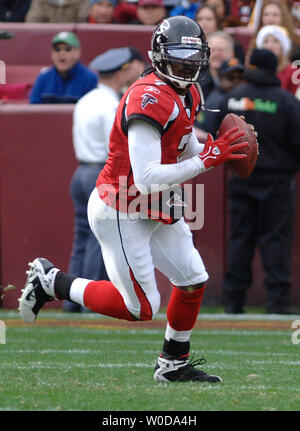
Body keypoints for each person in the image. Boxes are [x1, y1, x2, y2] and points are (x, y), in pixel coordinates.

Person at [19, 16, 249, 383]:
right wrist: (211, 157)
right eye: (177, 55)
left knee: (193, 278)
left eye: (192, 56)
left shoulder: (187, 92)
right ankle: (52, 282)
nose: (187, 64)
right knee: (140, 307)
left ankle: (173, 364)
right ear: (158, 56)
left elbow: (186, 144)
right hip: (122, 206)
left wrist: (220, 148)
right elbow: (146, 178)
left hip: (156, 204)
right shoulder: (148, 98)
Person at [220, 48, 300, 314]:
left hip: (240, 178)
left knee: (240, 238)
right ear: (274, 67)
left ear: (251, 66)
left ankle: (234, 301)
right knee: (275, 240)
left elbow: (213, 136)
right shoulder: (287, 102)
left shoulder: (231, 98)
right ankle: (277, 301)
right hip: (277, 180)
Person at [64, 47, 144, 312]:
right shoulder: (113, 104)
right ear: (120, 73)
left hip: (80, 171)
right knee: (101, 242)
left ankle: (70, 300)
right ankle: (88, 303)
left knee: (82, 238)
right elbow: (121, 145)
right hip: (102, 174)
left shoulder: (85, 99)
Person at [29, 31, 98, 104]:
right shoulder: (43, 78)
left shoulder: (90, 79)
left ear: (78, 53)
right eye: (57, 49)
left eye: (67, 49)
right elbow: (34, 110)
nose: (61, 53)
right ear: (52, 54)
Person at [195, 57, 245, 137]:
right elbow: (200, 132)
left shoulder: (240, 97)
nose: (236, 82)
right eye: (231, 78)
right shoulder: (216, 101)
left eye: (240, 78)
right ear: (220, 78)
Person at [256, 25, 299, 95]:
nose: (270, 45)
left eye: (276, 41)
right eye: (265, 42)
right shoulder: (256, 70)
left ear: (283, 46)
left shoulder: (292, 71)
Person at [25, 0, 90, 22]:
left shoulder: (83, 1)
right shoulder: (40, 1)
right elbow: (33, 20)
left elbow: (83, 19)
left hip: (73, 41)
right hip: (45, 39)